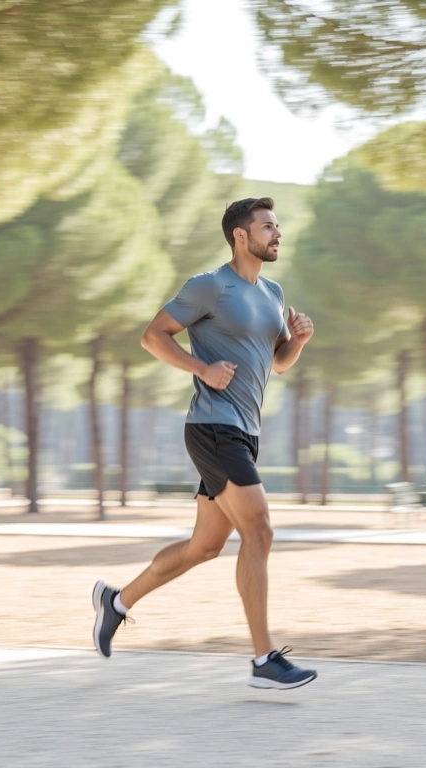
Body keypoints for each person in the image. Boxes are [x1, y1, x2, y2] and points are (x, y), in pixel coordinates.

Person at [92, 197, 317, 689]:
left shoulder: (274, 293)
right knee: (259, 532)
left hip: (245, 431)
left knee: (204, 547)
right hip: (214, 428)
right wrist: (202, 369)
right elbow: (154, 336)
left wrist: (296, 341)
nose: (276, 234)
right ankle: (263, 660)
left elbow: (277, 362)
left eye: (277, 227)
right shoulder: (209, 286)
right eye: (267, 227)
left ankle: (117, 601)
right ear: (240, 235)